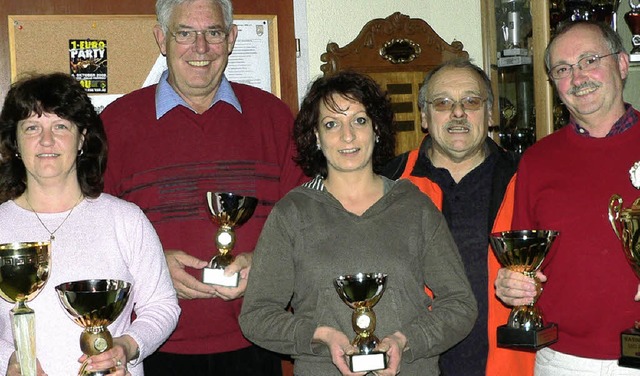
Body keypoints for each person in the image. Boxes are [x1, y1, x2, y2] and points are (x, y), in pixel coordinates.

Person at [99, 0, 306, 374]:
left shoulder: (273, 117)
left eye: (212, 33)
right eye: (184, 33)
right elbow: (92, 234)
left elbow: (307, 224)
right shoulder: (115, 124)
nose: (200, 48)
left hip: (257, 340)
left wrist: (266, 265)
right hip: (151, 346)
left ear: (231, 39)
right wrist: (150, 270)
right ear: (162, 39)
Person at [239, 71, 477, 376]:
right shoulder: (292, 213)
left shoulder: (415, 206)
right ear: (316, 136)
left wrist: (406, 341)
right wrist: (321, 336)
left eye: (359, 120)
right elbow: (257, 317)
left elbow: (460, 305)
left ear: (376, 129)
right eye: (331, 124)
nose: (347, 136)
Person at [0, 72, 180, 376]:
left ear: (82, 138)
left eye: (60, 126)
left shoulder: (125, 220)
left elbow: (162, 306)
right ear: (15, 142)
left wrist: (126, 346)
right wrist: (8, 362)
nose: (46, 140)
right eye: (32, 127)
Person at [494, 20, 640, 375]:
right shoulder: (536, 161)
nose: (578, 77)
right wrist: (511, 284)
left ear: (621, 64)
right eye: (563, 69)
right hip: (563, 362)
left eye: (590, 60)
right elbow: (524, 261)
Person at [382, 58, 531, 376]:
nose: (458, 113)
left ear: (490, 113)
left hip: (508, 365)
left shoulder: (530, 178)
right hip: (411, 364)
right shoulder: (386, 182)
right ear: (424, 116)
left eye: (471, 101)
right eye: (443, 102)